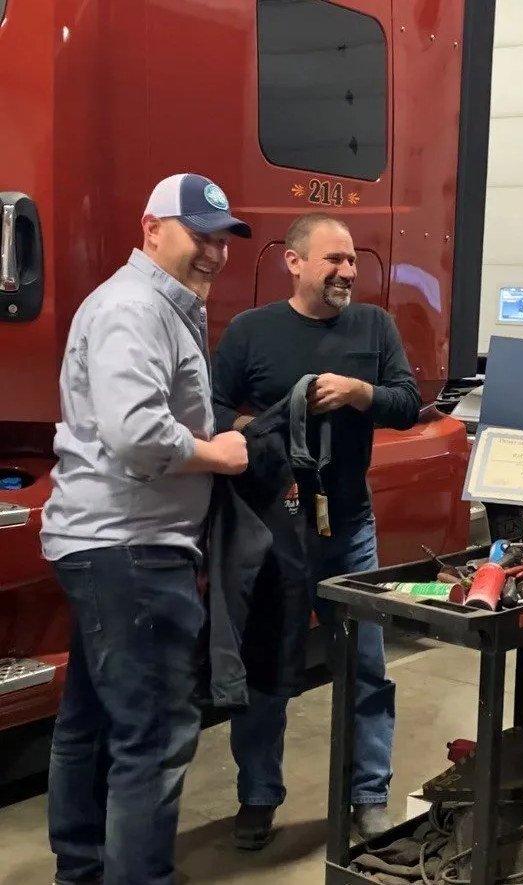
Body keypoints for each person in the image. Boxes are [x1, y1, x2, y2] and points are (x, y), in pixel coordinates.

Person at [40, 173, 252, 885]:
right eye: (201, 235)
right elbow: (135, 434)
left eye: (223, 239)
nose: (215, 253)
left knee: (93, 721)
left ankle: (84, 869)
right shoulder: (135, 308)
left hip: (106, 542)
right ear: (150, 227)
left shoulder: (159, 307)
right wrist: (216, 451)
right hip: (131, 547)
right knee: (154, 737)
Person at [211, 211, 422, 848]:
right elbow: (214, 410)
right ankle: (257, 796)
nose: (347, 271)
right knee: (268, 662)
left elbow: (409, 403)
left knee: (365, 664)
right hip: (276, 526)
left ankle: (369, 794)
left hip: (350, 524)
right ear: (294, 262)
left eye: (352, 260)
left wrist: (364, 393)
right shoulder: (251, 332)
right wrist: (256, 432)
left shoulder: (373, 326)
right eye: (333, 259)